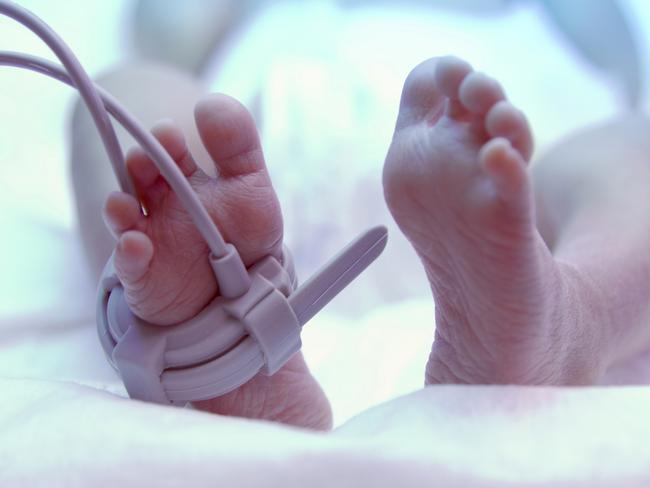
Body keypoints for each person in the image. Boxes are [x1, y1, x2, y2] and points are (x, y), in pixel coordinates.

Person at [96, 55, 650, 431]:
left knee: (634, 141)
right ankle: (205, 331)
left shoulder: (557, 26)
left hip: (504, 201)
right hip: (241, 191)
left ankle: (569, 316)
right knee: (123, 88)